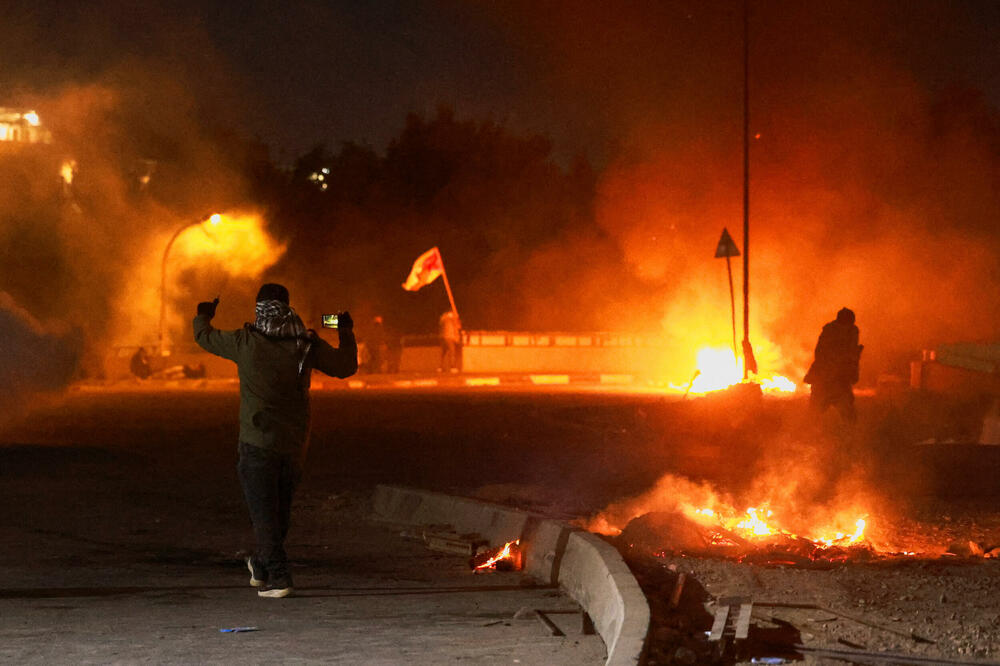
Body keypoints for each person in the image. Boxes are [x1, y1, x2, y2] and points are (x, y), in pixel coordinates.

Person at [193, 283, 357, 598]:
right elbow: (345, 366)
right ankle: (261, 565)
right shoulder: (306, 343)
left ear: (259, 310)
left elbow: (204, 336)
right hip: (293, 445)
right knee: (279, 514)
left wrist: (203, 315)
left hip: (256, 443)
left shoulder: (245, 341)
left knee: (265, 515)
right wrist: (345, 330)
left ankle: (280, 579)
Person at [804, 307, 863, 423]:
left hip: (840, 380)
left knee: (848, 413)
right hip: (825, 378)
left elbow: (852, 356)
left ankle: (848, 435)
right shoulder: (830, 332)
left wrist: (851, 369)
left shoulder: (852, 331)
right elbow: (821, 354)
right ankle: (809, 434)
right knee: (815, 412)